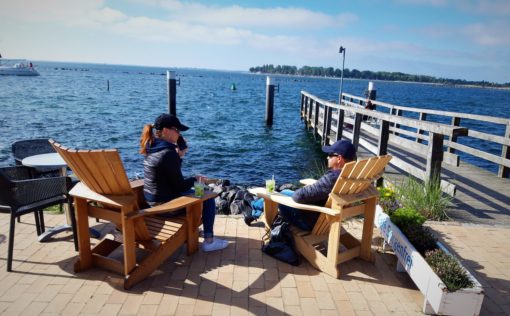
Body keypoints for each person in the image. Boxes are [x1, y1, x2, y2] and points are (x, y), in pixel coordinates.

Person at [139, 113, 228, 252]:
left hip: (152, 202)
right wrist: (195, 179)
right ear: (166, 131)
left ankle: (205, 233)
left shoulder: (152, 147)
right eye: (177, 130)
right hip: (165, 207)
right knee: (208, 198)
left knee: (198, 192)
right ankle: (209, 241)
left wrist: (179, 156)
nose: (179, 134)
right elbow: (179, 185)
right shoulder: (168, 153)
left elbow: (170, 176)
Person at [278, 140, 357, 231]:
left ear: (339, 159)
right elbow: (322, 190)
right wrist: (314, 186)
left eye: (330, 155)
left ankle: (259, 211)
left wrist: (307, 189)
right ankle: (257, 206)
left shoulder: (332, 178)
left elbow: (298, 196)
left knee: (280, 197)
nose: (327, 157)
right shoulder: (352, 176)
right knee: (285, 192)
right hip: (326, 219)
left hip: (311, 222)